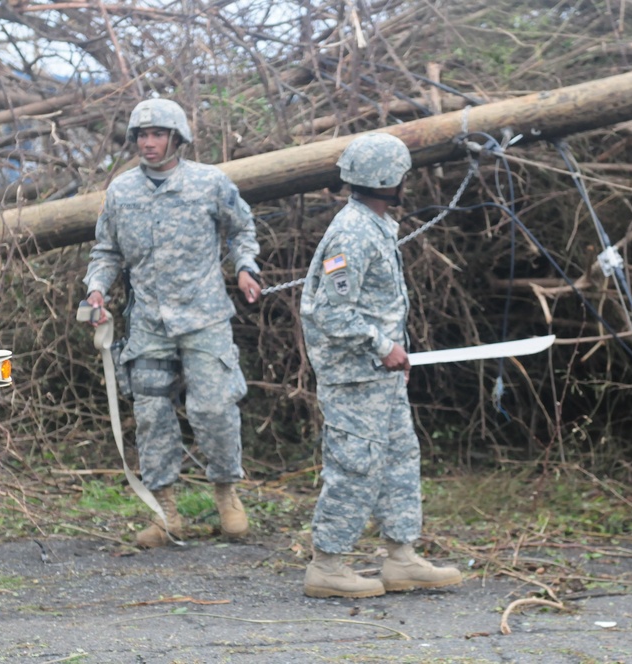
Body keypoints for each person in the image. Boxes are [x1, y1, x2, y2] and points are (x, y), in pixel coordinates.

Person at [82, 98, 262, 548]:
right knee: (151, 416)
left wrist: (246, 268)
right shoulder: (122, 192)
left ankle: (227, 496)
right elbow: (106, 251)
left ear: (177, 138)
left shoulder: (209, 183)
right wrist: (96, 289)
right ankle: (166, 513)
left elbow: (241, 230)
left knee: (215, 408)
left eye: (158, 134)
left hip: (204, 316)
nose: (149, 143)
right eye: (142, 135)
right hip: (147, 323)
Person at [299, 132, 463, 598]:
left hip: (380, 371)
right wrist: (380, 344)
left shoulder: (376, 225)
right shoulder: (351, 233)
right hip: (354, 373)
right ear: (388, 180)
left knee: (397, 457)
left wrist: (394, 351)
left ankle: (401, 558)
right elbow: (330, 311)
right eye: (404, 176)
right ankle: (327, 566)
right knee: (356, 463)